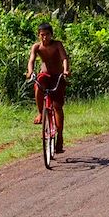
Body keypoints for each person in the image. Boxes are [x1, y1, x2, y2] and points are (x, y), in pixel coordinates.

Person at [26, 23, 70, 153]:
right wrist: (30, 72)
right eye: (42, 35)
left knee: (57, 107)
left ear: (52, 34)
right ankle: (40, 113)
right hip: (45, 75)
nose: (45, 38)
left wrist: (66, 70)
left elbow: (64, 58)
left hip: (57, 76)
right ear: (38, 35)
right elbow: (31, 61)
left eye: (47, 35)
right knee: (38, 85)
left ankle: (60, 137)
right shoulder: (37, 47)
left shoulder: (57, 45)